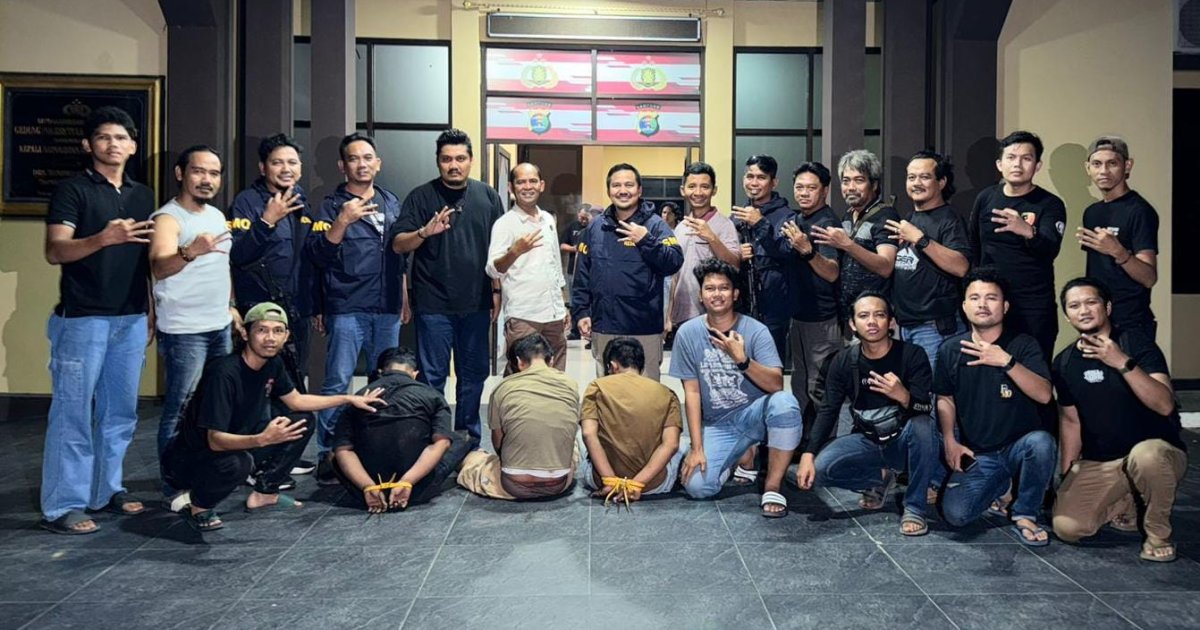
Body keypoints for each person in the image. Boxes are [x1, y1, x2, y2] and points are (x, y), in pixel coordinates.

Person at [160, 303, 385, 532]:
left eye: (278, 331)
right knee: (239, 463)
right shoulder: (223, 373)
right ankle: (199, 506)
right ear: (245, 333)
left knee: (302, 421)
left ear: (286, 336)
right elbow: (215, 440)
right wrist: (263, 439)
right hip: (190, 460)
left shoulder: (272, 363)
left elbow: (296, 401)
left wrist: (348, 399)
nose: (270, 338)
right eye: (262, 330)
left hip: (240, 442)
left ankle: (265, 492)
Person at [40, 106, 156, 535]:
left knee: (120, 413)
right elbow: (56, 251)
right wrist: (103, 238)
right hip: (83, 319)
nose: (113, 144)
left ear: (133, 146)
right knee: (72, 414)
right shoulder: (72, 190)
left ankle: (106, 490)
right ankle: (63, 505)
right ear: (88, 144)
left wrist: (150, 310)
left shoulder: (143, 195)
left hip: (130, 318)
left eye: (121, 137)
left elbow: (144, 262)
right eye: (104, 137)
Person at [1051, 277, 1186, 562]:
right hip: (1103, 462)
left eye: (1091, 302)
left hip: (1157, 454)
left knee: (1146, 456)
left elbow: (1164, 405)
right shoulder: (1064, 363)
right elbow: (1071, 422)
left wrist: (1121, 362)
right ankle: (1128, 500)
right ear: (1066, 316)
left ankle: (1158, 533)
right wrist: (1067, 474)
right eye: (1074, 306)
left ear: (1107, 307)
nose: (1083, 310)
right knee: (1068, 527)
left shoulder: (1135, 343)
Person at [390, 129, 504, 441]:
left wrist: (496, 290)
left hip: (477, 302)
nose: (454, 165)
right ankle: (434, 438)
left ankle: (467, 439)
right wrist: (424, 232)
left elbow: (498, 249)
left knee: (473, 375)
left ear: (471, 160)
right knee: (433, 377)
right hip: (433, 304)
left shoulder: (488, 197)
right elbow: (398, 244)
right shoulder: (421, 196)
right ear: (438, 161)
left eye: (460, 158)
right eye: (447, 159)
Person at [670, 258, 803, 517]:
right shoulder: (687, 333)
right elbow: (692, 393)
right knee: (697, 487)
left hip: (755, 416)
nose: (717, 294)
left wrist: (742, 360)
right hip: (718, 424)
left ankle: (772, 486)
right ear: (700, 295)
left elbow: (776, 384)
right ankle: (737, 457)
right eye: (710, 288)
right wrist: (697, 449)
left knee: (785, 404)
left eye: (724, 288)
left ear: (735, 294)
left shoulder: (756, 331)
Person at [796, 291, 936, 536]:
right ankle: (879, 477)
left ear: (891, 322)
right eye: (863, 316)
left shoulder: (912, 355)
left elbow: (925, 408)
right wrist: (808, 453)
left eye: (879, 315)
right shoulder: (843, 361)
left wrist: (903, 396)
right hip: (868, 439)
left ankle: (915, 507)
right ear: (852, 324)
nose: (872, 322)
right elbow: (828, 409)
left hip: (905, 440)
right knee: (819, 471)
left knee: (923, 426)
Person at [309, 133, 406, 480]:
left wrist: (404, 298)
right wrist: (343, 220)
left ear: (378, 163)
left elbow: (400, 256)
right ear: (342, 165)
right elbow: (318, 255)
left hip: (387, 306)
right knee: (338, 381)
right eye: (354, 158)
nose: (362, 164)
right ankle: (328, 453)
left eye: (368, 158)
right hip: (347, 305)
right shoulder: (330, 205)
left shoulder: (391, 201)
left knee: (387, 380)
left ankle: (375, 447)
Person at [935, 267, 1056, 545]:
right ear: (964, 306)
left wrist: (1007, 362)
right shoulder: (950, 349)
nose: (983, 304)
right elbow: (945, 398)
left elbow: (1044, 395)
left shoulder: (1023, 344)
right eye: (975, 298)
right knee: (956, 515)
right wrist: (950, 440)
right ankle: (1001, 485)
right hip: (980, 452)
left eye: (991, 298)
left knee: (1041, 443)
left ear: (1005, 306)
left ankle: (1025, 513)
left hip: (1019, 447)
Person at [148, 145, 238, 497]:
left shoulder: (216, 216)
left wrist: (231, 307)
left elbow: (222, 266)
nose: (207, 179)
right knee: (180, 409)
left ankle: (202, 475)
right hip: (185, 331)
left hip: (218, 326)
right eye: (199, 171)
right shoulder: (168, 218)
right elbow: (159, 266)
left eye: (214, 173)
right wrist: (190, 251)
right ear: (180, 173)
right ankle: (174, 486)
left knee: (212, 407)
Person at [571, 163, 683, 380]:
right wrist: (582, 312)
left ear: (639, 190)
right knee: (608, 391)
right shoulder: (595, 228)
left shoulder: (656, 226)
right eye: (616, 185)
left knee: (646, 393)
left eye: (629, 185)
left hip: (645, 328)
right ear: (609, 190)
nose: (623, 190)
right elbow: (582, 275)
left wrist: (646, 240)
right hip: (604, 326)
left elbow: (674, 262)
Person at [331, 347, 472, 512]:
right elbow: (442, 444)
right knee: (459, 438)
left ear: (380, 372)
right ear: (415, 374)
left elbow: (343, 450)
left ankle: (371, 488)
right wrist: (407, 482)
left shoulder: (358, 398)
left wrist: (367, 486)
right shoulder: (432, 396)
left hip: (366, 491)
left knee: (333, 454)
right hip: (415, 488)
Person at [228, 133, 317, 387]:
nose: (286, 168)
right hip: (260, 308)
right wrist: (267, 221)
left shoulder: (303, 202)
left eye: (292, 162)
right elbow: (239, 255)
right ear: (263, 168)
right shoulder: (247, 201)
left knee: (294, 379)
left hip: (297, 310)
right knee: (257, 382)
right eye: (277, 162)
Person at [969, 131, 1066, 360]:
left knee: (1034, 368)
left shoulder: (1050, 204)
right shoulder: (986, 198)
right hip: (992, 303)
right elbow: (974, 246)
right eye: (1011, 157)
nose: (1017, 164)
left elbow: (1051, 250)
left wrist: (1027, 231)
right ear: (999, 164)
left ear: (1037, 165)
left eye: (1026, 158)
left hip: (1033, 306)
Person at [457, 334, 580, 500]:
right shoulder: (571, 384)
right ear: (551, 361)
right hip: (558, 483)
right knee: (574, 447)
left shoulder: (503, 388)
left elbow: (498, 442)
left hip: (512, 484)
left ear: (520, 362)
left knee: (472, 458)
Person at [886, 150, 972, 373]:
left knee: (936, 390)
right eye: (911, 177)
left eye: (924, 177)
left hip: (934, 327)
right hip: (905, 325)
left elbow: (961, 266)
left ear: (941, 182)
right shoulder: (909, 218)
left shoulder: (950, 219)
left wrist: (921, 239)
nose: (916, 183)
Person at [486, 163, 570, 371]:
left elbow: (555, 264)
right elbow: (492, 269)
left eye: (532, 181)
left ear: (541, 185)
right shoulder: (505, 224)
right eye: (521, 182)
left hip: (554, 314)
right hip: (523, 315)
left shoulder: (547, 219)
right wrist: (515, 251)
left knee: (555, 374)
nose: (527, 186)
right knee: (521, 375)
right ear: (511, 187)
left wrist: (563, 305)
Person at [579, 337, 683, 501]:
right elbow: (671, 444)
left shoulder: (596, 387)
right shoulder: (667, 393)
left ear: (613, 366)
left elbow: (588, 434)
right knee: (682, 447)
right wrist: (636, 484)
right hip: (653, 486)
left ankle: (609, 480)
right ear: (641, 366)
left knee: (581, 442)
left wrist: (610, 481)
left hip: (600, 482)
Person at [1077, 136, 1160, 340]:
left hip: (1131, 322)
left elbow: (1149, 278)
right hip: (1098, 321)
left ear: (1127, 165)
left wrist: (1118, 251)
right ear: (1088, 168)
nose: (1103, 171)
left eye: (1112, 163)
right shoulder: (1092, 213)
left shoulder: (1139, 211)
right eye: (1097, 164)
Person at [779, 162, 842, 427]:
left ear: (825, 190)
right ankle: (805, 442)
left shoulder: (826, 223)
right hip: (799, 316)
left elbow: (832, 272)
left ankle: (826, 446)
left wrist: (807, 251)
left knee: (821, 389)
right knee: (800, 386)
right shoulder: (798, 219)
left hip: (822, 319)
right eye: (799, 187)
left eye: (811, 188)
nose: (804, 193)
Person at [812, 149, 899, 325]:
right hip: (848, 315)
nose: (851, 187)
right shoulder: (848, 215)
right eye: (846, 181)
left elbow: (886, 266)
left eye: (859, 180)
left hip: (874, 316)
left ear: (874, 184)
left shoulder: (885, 215)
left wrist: (848, 245)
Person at [731, 155, 797, 360]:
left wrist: (760, 224)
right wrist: (737, 253)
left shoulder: (787, 216)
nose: (754, 182)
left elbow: (787, 253)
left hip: (773, 309)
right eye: (749, 176)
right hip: (742, 306)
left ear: (773, 182)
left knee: (770, 365)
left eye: (761, 177)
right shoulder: (736, 216)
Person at [667, 162, 740, 332]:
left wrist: (711, 237)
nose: (698, 192)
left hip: (714, 316)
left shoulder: (724, 225)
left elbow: (735, 265)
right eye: (692, 186)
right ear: (683, 190)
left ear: (714, 190)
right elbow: (674, 275)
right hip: (681, 316)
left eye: (705, 187)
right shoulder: (680, 227)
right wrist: (668, 315)